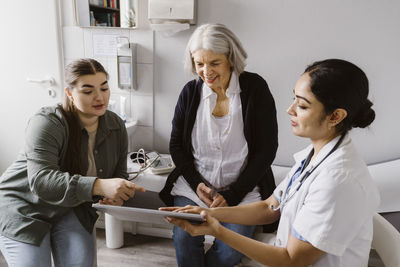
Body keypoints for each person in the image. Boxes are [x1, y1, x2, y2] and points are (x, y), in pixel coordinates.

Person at [162, 59, 380, 267]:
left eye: (302, 106)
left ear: (335, 117)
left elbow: (292, 260)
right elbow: (270, 207)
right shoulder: (313, 155)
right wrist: (207, 213)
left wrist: (216, 230)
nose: (290, 109)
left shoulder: (338, 181)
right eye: (294, 98)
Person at [0, 58, 145, 267]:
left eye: (104, 88)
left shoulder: (115, 125)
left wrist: (116, 196)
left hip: (70, 208)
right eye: (88, 91)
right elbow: (41, 181)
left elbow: (118, 174)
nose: (99, 97)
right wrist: (99, 186)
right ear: (69, 93)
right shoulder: (46, 123)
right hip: (23, 208)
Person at [159, 23, 278, 267]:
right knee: (183, 238)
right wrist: (198, 184)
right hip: (194, 187)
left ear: (231, 59)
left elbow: (267, 150)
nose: (205, 71)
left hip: (243, 191)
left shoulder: (255, 89)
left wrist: (232, 194)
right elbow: (176, 146)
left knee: (229, 250)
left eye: (214, 63)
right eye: (199, 63)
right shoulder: (190, 93)